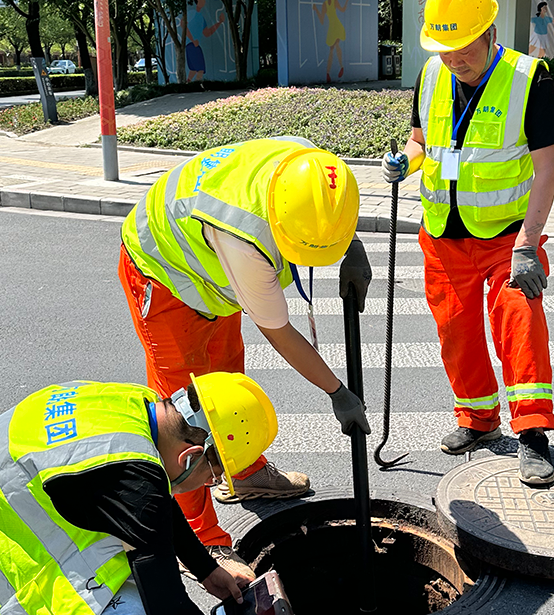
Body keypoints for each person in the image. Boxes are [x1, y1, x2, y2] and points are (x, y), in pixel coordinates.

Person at [118, 136, 372, 574]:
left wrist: (350, 247)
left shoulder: (310, 168)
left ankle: (244, 472)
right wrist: (336, 392)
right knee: (188, 420)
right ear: (278, 222)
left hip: (210, 272)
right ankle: (203, 537)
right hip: (163, 277)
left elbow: (330, 211)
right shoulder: (244, 238)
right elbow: (280, 333)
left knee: (230, 386)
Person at [0, 373, 279, 615]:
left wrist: (206, 568)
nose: (208, 485)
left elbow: (153, 513)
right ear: (191, 456)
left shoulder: (134, 404)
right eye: (212, 476)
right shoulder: (137, 480)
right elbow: (169, 613)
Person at [382, 0, 554, 486]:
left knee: (521, 326)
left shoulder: (529, 79)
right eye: (445, 49)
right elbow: (422, 141)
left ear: (489, 32)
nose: (455, 59)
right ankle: (478, 419)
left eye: (465, 46)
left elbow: (548, 170)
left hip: (508, 238)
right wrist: (406, 159)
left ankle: (532, 434)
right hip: (443, 235)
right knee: (456, 333)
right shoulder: (430, 75)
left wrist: (528, 246)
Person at [184, 0, 225, 82]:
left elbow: (207, 33)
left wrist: (219, 22)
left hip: (193, 45)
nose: (204, 1)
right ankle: (196, 87)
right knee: (200, 69)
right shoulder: (192, 13)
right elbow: (183, 24)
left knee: (194, 70)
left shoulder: (201, 17)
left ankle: (188, 86)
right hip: (191, 45)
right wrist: (193, 40)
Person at [313, 0, 350, 82]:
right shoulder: (326, 4)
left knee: (334, 47)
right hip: (333, 27)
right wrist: (316, 10)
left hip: (336, 26)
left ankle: (329, 72)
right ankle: (335, 69)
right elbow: (322, 19)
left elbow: (342, 10)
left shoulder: (332, 1)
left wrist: (347, 0)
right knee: (334, 47)